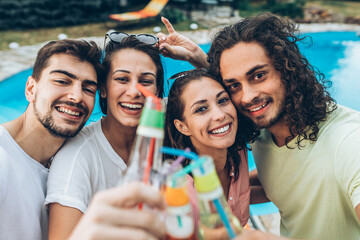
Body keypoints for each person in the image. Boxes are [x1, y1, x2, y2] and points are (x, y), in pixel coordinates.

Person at [158, 14, 360, 240]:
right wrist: (198, 58)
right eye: (233, 86)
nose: (247, 97)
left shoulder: (349, 141)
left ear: (287, 69)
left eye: (259, 75)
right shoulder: (259, 129)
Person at [45, 33, 165, 239]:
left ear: (158, 93)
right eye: (122, 79)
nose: (135, 91)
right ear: (103, 89)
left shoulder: (170, 131)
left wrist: (196, 58)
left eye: (145, 81)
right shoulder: (76, 159)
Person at [0, 39, 103, 240]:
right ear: (30, 89)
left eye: (88, 89)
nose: (76, 96)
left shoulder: (75, 159)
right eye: (62, 81)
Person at [164, 68, 264, 239]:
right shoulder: (180, 195)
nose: (219, 115)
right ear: (182, 126)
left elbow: (241, 195)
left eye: (223, 100)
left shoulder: (237, 150)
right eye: (201, 109)